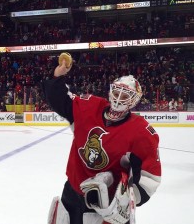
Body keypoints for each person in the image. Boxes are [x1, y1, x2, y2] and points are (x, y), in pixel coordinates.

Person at [43, 60, 162, 224]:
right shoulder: (89, 107)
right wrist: (57, 76)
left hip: (106, 204)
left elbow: (149, 177)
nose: (119, 98)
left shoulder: (141, 132)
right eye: (117, 92)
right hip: (73, 193)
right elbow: (61, 101)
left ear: (134, 101)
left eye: (126, 95)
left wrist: (125, 202)